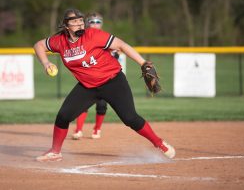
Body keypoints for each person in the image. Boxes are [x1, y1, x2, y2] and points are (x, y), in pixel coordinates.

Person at [33, 8, 175, 162]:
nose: (80, 24)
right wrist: (46, 63)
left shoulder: (93, 35)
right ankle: (55, 152)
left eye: (81, 21)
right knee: (63, 116)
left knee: (130, 118)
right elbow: (39, 45)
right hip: (87, 86)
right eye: (74, 22)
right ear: (66, 25)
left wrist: (143, 63)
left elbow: (122, 45)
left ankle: (159, 143)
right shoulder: (59, 41)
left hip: (112, 81)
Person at [72, 12, 120, 140]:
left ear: (101, 24)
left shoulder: (106, 37)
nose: (94, 24)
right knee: (83, 104)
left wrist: (113, 53)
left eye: (97, 21)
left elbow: (116, 53)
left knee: (102, 104)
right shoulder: (82, 37)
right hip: (88, 77)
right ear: (87, 23)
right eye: (92, 21)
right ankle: (78, 130)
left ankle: (97, 129)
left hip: (104, 78)